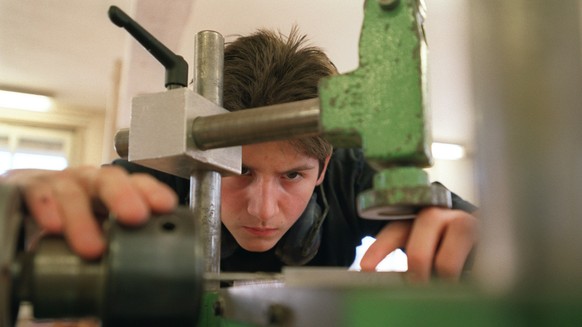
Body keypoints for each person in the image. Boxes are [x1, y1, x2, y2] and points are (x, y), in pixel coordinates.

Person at [1, 29, 477, 283]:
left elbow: (492, 242)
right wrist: (15, 203)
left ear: (324, 169)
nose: (262, 210)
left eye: (292, 175)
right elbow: (43, 208)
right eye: (238, 170)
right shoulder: (160, 175)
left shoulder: (354, 173)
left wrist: (481, 248)